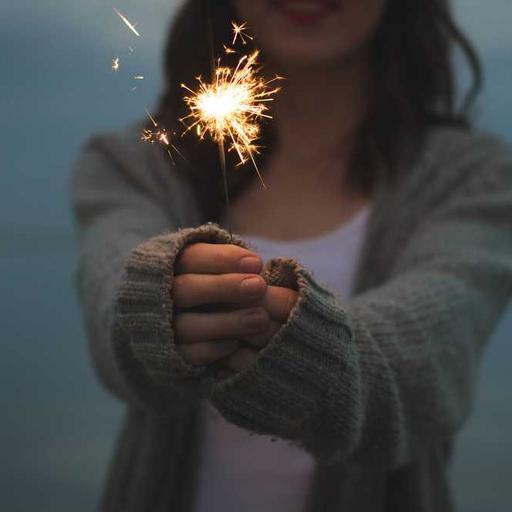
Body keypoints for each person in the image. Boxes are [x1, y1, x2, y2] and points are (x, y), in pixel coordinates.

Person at [72, 0, 512, 511]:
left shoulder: (473, 180)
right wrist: (156, 302)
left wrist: (312, 351)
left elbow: (434, 357)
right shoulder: (135, 166)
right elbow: (114, 301)